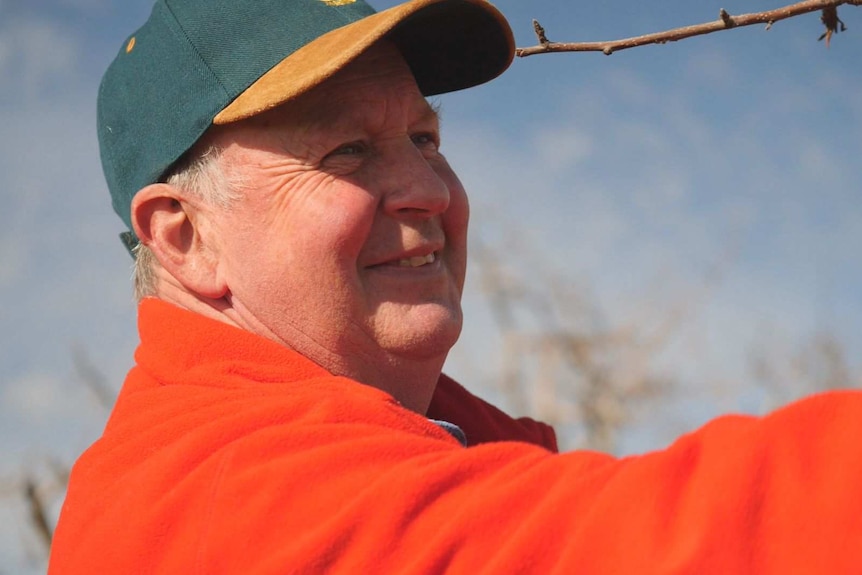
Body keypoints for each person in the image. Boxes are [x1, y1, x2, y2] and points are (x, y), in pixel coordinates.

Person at [49, 0, 862, 572]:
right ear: (186, 237)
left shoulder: (388, 445)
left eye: (424, 136)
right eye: (347, 152)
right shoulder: (227, 499)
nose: (432, 189)